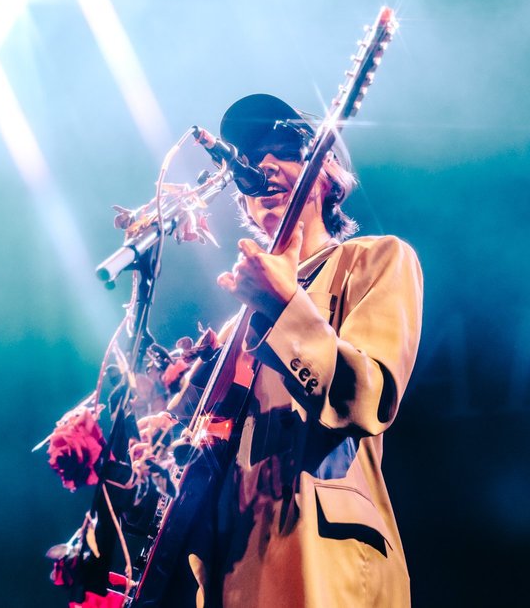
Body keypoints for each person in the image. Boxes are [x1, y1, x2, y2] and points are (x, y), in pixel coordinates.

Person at [139, 94, 423, 607]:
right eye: (251, 156)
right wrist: (156, 466)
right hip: (235, 574)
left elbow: (368, 398)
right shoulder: (231, 335)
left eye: (284, 150)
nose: (264, 165)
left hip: (323, 562)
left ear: (326, 174)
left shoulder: (375, 261)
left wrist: (285, 303)